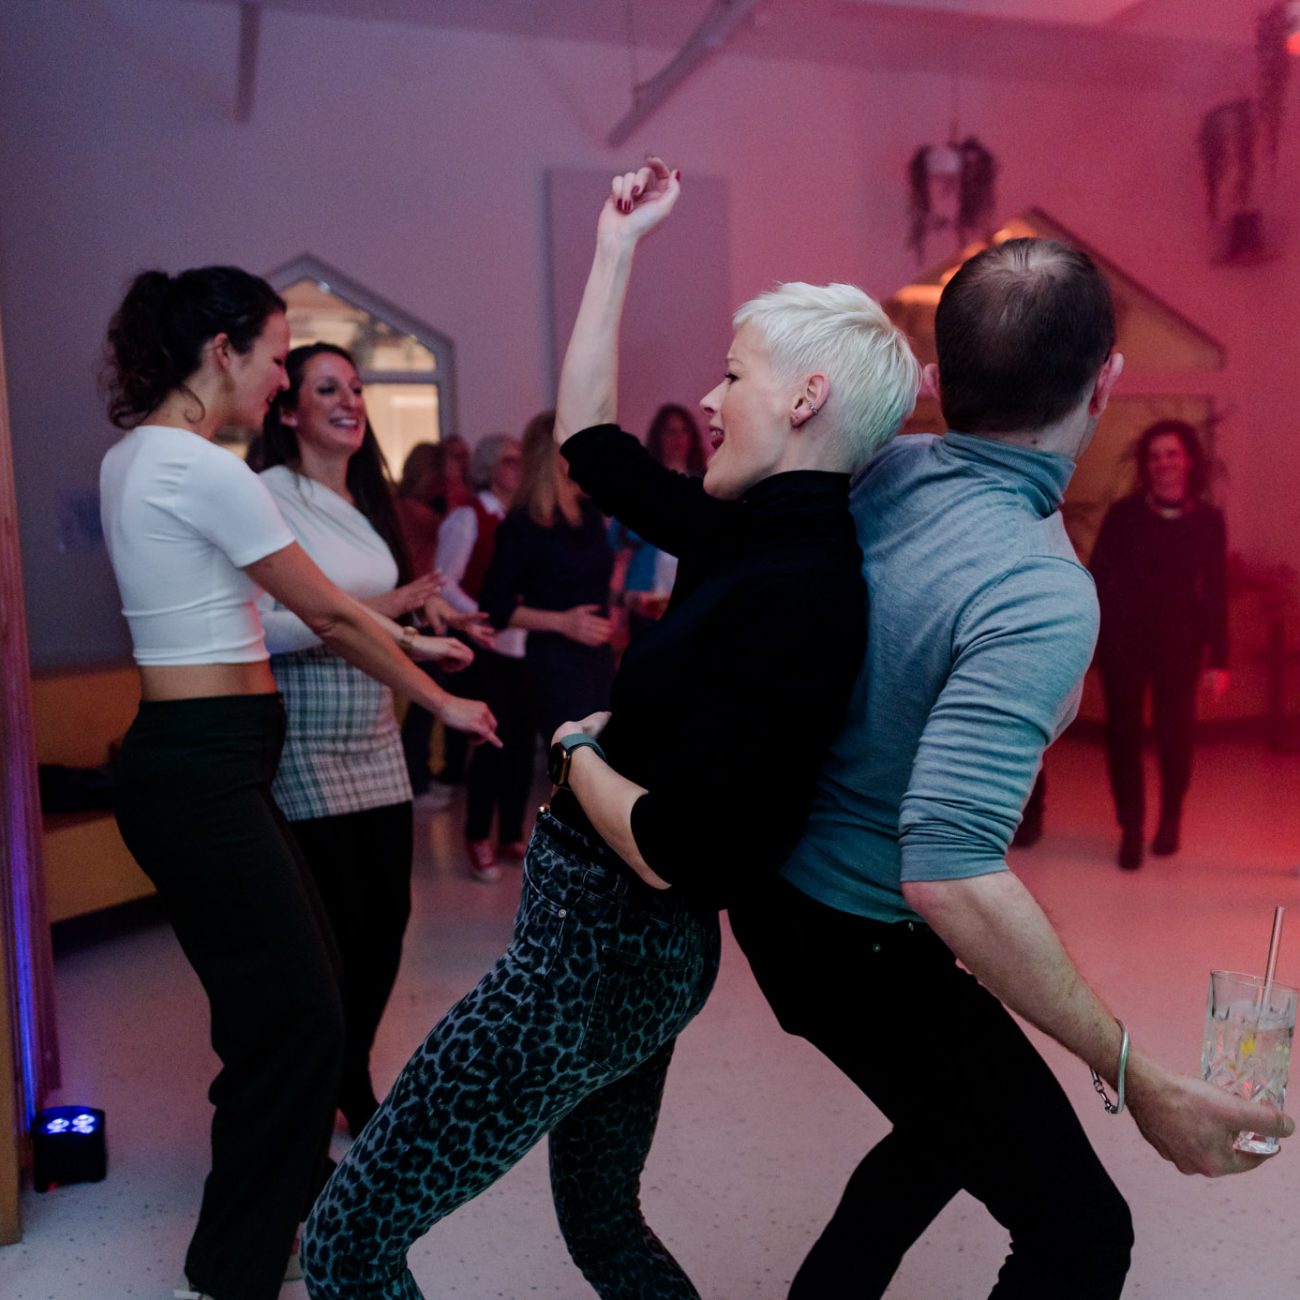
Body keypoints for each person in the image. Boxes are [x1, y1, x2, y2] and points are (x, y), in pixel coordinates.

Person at [300, 156, 920, 1299]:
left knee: (346, 1243)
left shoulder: (801, 583)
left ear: (803, 399)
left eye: (732, 375)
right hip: (619, 954)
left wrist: (576, 750)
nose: (711, 399)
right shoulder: (752, 530)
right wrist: (616, 246)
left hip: (594, 959)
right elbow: (586, 437)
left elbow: (687, 846)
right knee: (605, 1224)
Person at [727, 238, 1290, 1300]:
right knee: (1083, 1234)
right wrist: (1138, 1076)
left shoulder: (881, 469)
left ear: (938, 379)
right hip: (855, 940)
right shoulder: (1038, 590)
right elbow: (948, 872)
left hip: (775, 896)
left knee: (944, 1131)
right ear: (1106, 380)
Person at [98, 266, 497, 1300]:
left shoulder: (134, 455)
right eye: (276, 357)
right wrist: (440, 695)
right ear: (222, 351)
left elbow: (318, 607)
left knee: (280, 1012)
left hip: (200, 761)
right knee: (300, 1017)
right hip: (203, 768)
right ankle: (231, 1267)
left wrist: (414, 646)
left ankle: (257, 1231)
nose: (280, 379)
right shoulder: (202, 467)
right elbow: (324, 612)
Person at [254, 341, 478, 1136]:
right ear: (288, 411)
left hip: (377, 733)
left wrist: (425, 612)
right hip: (306, 735)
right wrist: (384, 610)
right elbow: (265, 626)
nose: (350, 401)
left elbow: (377, 606)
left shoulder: (365, 499)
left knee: (385, 926)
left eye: (354, 387)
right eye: (327, 389)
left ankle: (351, 1071)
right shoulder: (268, 496)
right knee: (333, 935)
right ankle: (322, 1087)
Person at [1090, 419, 1229, 869]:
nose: (1162, 463)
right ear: (1145, 465)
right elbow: (1096, 577)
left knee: (1175, 735)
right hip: (1124, 641)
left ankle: (1170, 819)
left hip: (1180, 643)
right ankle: (1131, 825)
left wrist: (1220, 657)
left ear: (1188, 459)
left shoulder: (1208, 521)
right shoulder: (1124, 515)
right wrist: (1094, 636)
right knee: (1123, 733)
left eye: (1171, 454)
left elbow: (1216, 590)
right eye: (1154, 456)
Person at [477, 408, 617, 747]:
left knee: (606, 756)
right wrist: (562, 623)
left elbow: (590, 582)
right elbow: (494, 605)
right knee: (575, 759)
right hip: (556, 663)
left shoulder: (588, 513)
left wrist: (625, 599)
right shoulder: (523, 523)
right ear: (552, 454)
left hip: (599, 658)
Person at [435, 431, 532, 882]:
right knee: (490, 744)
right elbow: (443, 581)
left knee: (520, 744)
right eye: (510, 460)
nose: (519, 468)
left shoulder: (525, 517)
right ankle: (477, 835)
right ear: (489, 468)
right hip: (486, 646)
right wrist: (481, 615)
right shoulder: (468, 517)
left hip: (523, 644)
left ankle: (511, 833)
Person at [608, 403, 709, 637]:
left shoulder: (707, 487)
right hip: (647, 601)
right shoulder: (640, 488)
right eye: (670, 431)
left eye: (684, 430)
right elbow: (618, 547)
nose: (678, 438)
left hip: (694, 601)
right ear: (658, 436)